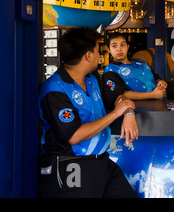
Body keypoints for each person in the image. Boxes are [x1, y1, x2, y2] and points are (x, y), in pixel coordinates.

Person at [38, 27, 137, 198]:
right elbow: (74, 136)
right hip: (70, 165)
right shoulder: (55, 89)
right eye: (98, 51)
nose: (100, 55)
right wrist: (115, 114)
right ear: (88, 56)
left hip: (102, 162)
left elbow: (117, 98)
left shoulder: (92, 79)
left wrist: (128, 113)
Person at [103, 33, 167, 100]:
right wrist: (153, 95)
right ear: (108, 50)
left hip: (162, 104)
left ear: (128, 46)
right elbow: (120, 93)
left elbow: (156, 78)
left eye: (122, 45)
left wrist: (161, 82)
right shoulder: (111, 69)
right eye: (114, 46)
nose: (119, 49)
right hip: (139, 108)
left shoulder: (141, 62)